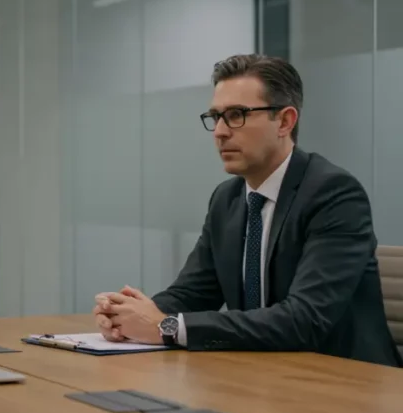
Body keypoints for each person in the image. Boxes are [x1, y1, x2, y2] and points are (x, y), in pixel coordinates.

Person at [93, 53, 401, 367]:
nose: (220, 132)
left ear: (284, 121)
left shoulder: (333, 194)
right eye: (216, 117)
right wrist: (130, 316)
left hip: (343, 383)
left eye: (237, 115)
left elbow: (305, 319)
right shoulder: (227, 199)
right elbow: (193, 293)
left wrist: (165, 327)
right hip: (264, 375)